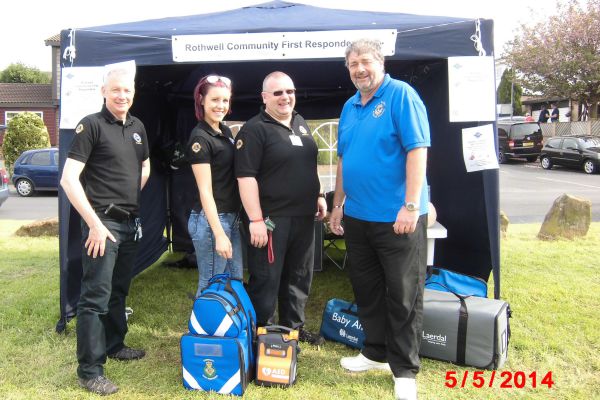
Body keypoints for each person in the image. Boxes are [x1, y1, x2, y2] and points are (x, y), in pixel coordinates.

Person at [329, 39, 430, 400]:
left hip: (396, 218)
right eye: (353, 63)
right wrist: (338, 204)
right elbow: (344, 159)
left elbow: (417, 149)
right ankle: (374, 352)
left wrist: (410, 204)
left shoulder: (401, 95)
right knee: (367, 290)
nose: (359, 69)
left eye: (365, 61)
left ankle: (404, 369)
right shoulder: (350, 106)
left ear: (381, 61)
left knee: (403, 294)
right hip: (357, 217)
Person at [60, 67, 150, 396]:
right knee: (94, 299)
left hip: (129, 223)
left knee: (118, 292)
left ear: (133, 92)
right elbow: (69, 180)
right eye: (116, 90)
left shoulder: (138, 127)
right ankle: (89, 370)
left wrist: (131, 198)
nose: (122, 96)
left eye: (127, 90)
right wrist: (95, 223)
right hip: (103, 225)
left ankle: (115, 345)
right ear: (103, 91)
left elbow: (145, 165)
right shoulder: (91, 125)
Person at [235, 71, 327, 345]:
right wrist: (255, 220)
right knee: (266, 279)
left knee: (299, 276)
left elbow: (309, 165)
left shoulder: (300, 122)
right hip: (271, 220)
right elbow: (245, 177)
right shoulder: (254, 129)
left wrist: (319, 194)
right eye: (278, 93)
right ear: (264, 98)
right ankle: (259, 332)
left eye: (290, 91)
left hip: (303, 216)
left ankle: (293, 330)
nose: (285, 97)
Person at [185, 75, 242, 297]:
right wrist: (218, 233)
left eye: (225, 101)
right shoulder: (200, 138)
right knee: (210, 284)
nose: (221, 106)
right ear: (201, 100)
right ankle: (204, 330)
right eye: (215, 100)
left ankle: (226, 329)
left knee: (233, 279)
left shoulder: (224, 131)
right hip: (211, 222)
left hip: (230, 217)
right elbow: (205, 190)